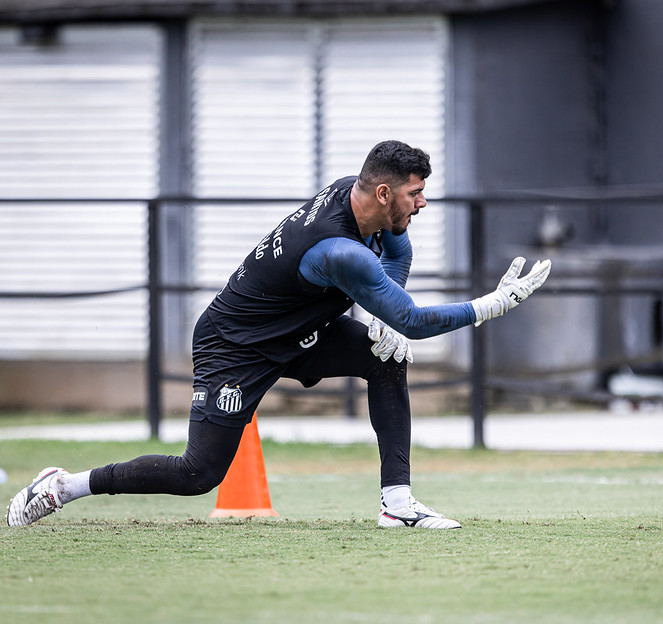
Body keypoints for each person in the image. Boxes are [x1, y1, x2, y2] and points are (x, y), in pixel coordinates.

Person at [7, 140, 550, 530]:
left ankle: (397, 502)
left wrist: (380, 319)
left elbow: (398, 252)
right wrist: (488, 306)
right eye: (415, 194)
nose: (422, 202)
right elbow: (412, 319)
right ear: (383, 192)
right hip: (234, 346)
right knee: (200, 473)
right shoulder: (338, 250)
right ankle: (63, 485)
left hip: (300, 333)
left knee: (386, 359)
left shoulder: (358, 198)